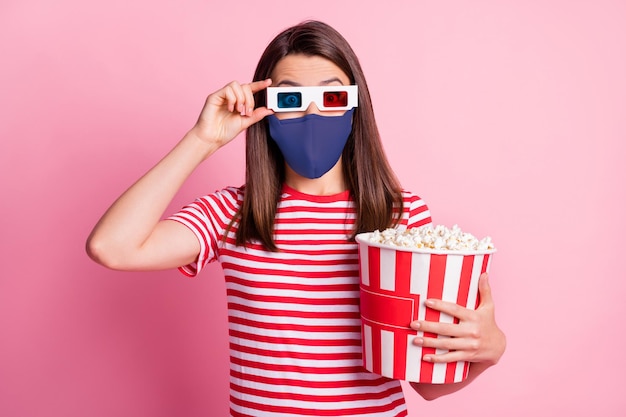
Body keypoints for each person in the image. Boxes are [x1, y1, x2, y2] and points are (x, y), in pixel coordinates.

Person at [87, 20, 505, 417]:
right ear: (265, 112)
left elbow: (426, 382)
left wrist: (489, 348)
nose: (312, 115)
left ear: (357, 107)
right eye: (290, 99)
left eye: (333, 97)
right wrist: (202, 139)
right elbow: (112, 247)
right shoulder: (233, 214)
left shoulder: (401, 217)